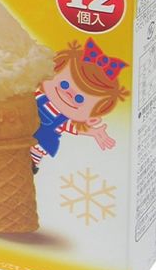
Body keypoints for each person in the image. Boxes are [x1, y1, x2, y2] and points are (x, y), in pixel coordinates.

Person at [30, 39, 129, 173]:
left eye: (79, 99)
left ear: (91, 115)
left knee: (29, 162)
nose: (68, 95)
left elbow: (74, 128)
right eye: (64, 84)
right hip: (17, 134)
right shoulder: (36, 95)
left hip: (39, 145)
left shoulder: (62, 121)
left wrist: (93, 132)